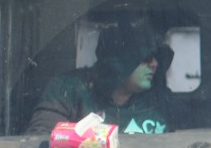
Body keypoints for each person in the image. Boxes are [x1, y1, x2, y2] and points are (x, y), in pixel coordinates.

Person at [28, 25, 182, 136]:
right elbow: (39, 143)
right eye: (146, 58)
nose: (154, 64)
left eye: (156, 57)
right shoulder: (68, 91)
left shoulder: (161, 99)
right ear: (121, 62)